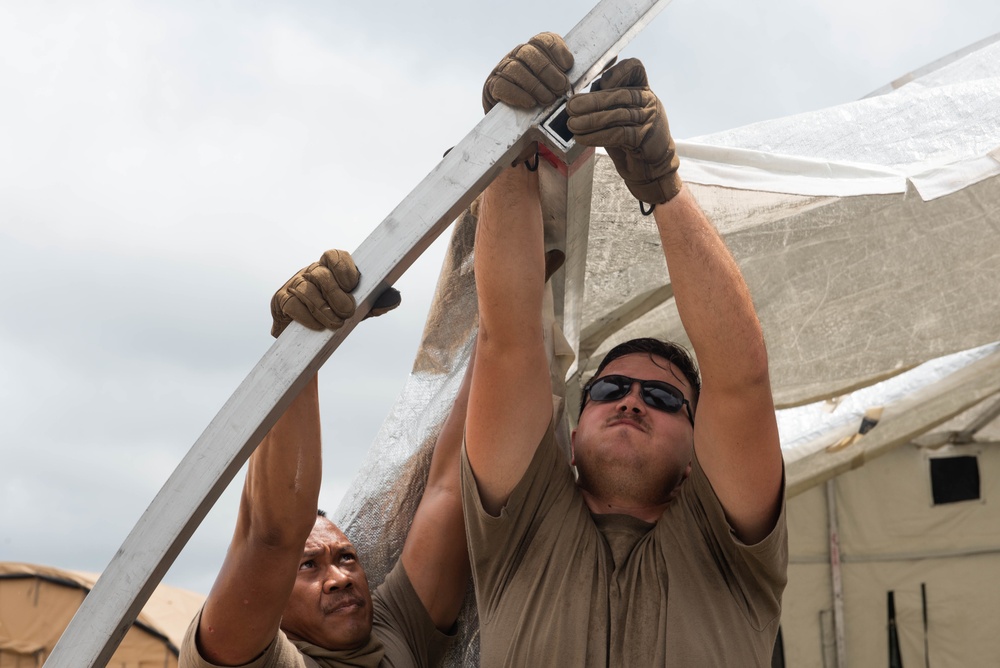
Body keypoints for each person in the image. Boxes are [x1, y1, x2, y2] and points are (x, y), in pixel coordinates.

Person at [463, 34, 788, 666]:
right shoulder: (518, 529)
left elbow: (740, 379)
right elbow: (509, 343)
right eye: (608, 389)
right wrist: (506, 151)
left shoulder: (733, 552)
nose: (631, 401)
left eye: (664, 398)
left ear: (700, 453)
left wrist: (662, 186)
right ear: (575, 424)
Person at [180, 249, 470, 668]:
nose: (338, 580)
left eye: (346, 557)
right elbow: (272, 536)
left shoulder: (396, 635)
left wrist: (513, 301)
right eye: (308, 565)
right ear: (275, 594)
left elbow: (451, 487)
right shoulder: (255, 657)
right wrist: (300, 347)